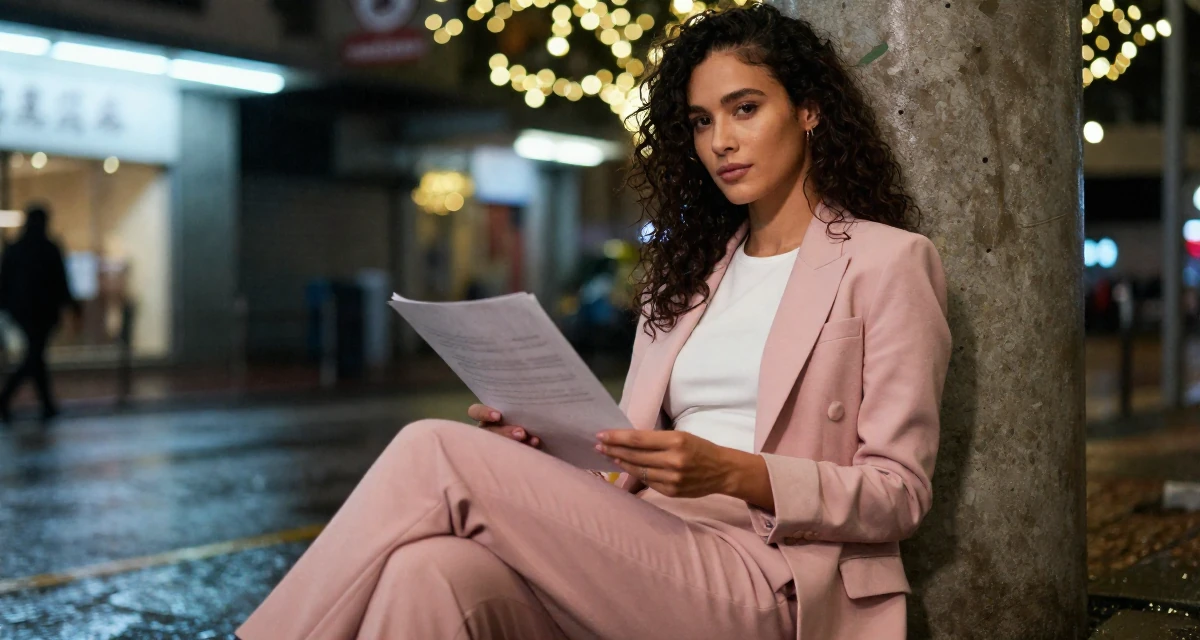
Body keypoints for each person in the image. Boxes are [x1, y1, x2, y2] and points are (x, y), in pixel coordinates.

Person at [238, 4, 951, 639]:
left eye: (745, 109)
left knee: (433, 449)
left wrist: (736, 473)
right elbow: (623, 461)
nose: (720, 142)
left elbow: (899, 493)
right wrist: (542, 446)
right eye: (701, 121)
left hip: (771, 574)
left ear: (809, 111)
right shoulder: (689, 277)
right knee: (429, 573)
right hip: (645, 542)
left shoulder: (887, 261)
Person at [0, 204, 80, 423]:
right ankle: (14, 400)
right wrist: (71, 306)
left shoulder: (17, 248)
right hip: (41, 312)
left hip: (24, 311)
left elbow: (5, 281)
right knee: (35, 356)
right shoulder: (47, 248)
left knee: (36, 356)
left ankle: (45, 404)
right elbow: (61, 281)